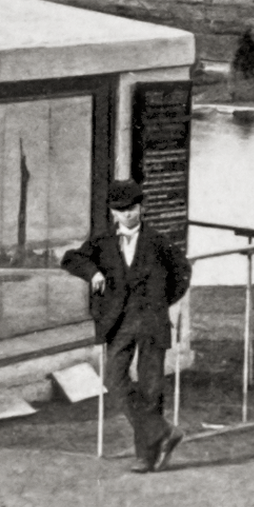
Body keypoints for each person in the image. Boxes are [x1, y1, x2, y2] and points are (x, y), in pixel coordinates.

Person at [61, 179, 191, 473]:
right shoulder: (102, 243)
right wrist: (92, 272)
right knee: (113, 379)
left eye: (132, 208)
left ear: (141, 208)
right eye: (120, 210)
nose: (127, 215)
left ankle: (145, 457)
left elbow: (182, 273)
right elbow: (71, 259)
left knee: (151, 387)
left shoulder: (159, 242)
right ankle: (163, 431)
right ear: (112, 213)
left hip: (152, 322)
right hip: (118, 323)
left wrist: (161, 301)